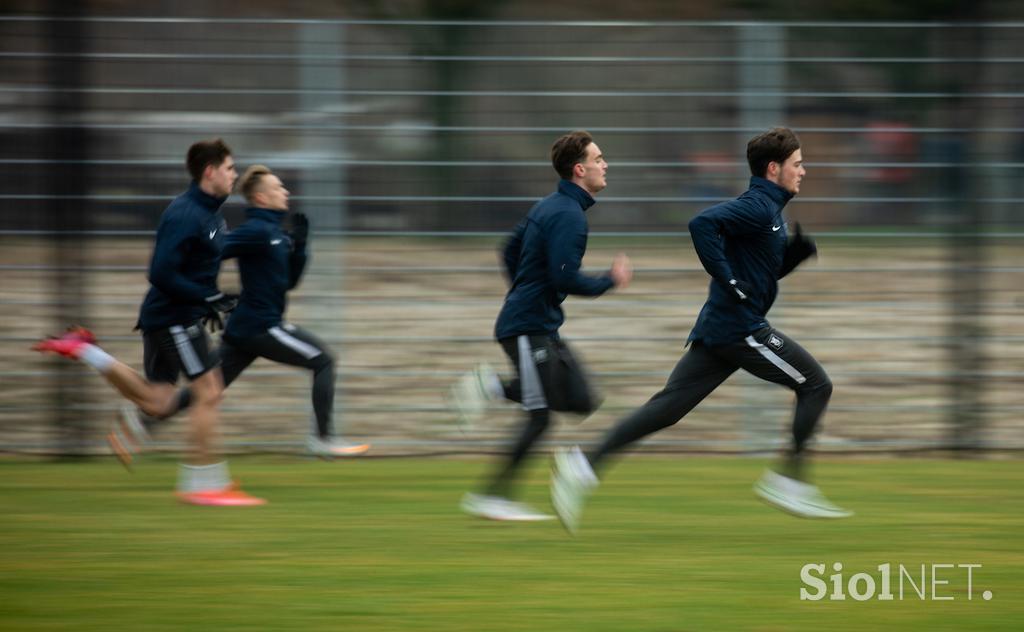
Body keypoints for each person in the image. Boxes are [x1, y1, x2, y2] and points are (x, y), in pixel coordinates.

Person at [550, 127, 851, 534]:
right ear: (774, 168)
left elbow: (759, 274)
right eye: (797, 164)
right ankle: (788, 482)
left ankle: (582, 465)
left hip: (721, 329)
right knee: (816, 384)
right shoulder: (759, 207)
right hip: (741, 329)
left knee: (667, 408)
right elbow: (701, 224)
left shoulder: (770, 212)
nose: (804, 171)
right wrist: (726, 280)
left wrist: (793, 257)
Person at [33, 138, 265, 506]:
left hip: (172, 316)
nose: (234, 175)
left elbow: (197, 265)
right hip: (174, 318)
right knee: (209, 392)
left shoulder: (212, 214)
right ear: (210, 171)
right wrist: (205, 298)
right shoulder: (185, 212)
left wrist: (217, 299)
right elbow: (160, 272)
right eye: (229, 168)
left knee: (158, 402)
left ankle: (86, 350)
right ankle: (203, 485)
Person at [117, 165, 369, 458]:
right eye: (278, 187)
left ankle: (141, 423)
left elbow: (288, 282)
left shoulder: (274, 234)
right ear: (261, 198)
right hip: (261, 326)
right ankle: (322, 438)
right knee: (324, 360)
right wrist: (203, 295)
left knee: (209, 389)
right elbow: (211, 251)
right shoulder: (257, 232)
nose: (285, 191)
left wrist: (299, 247)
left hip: (245, 330)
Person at [451, 130, 632, 521]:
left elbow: (509, 250)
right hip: (527, 326)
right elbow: (566, 277)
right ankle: (492, 497)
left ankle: (495, 388)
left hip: (537, 324)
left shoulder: (549, 206)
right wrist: (609, 281)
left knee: (582, 399)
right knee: (540, 417)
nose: (605, 164)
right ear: (579, 169)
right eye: (598, 158)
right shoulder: (568, 216)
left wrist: (526, 288)